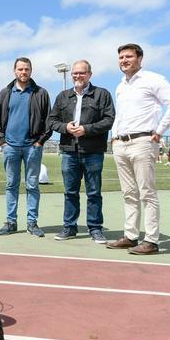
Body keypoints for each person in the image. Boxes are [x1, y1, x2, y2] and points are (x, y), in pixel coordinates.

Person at [107, 43, 170, 255]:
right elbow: (120, 115)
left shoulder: (154, 79)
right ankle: (131, 236)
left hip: (142, 142)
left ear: (140, 58)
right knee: (128, 193)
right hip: (121, 144)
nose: (124, 60)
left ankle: (151, 240)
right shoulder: (121, 85)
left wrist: (159, 131)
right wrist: (114, 137)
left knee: (147, 193)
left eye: (128, 56)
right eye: (121, 57)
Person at [47, 60, 114, 244]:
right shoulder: (62, 96)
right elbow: (51, 121)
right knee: (70, 192)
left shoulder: (102, 94)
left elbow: (109, 120)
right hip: (69, 151)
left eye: (81, 73)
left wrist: (87, 129)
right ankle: (69, 226)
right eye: (75, 73)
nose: (77, 76)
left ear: (89, 74)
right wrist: (65, 127)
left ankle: (95, 228)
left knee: (94, 192)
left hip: (93, 151)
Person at [0, 57, 51, 238]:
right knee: (11, 184)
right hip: (10, 147)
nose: (23, 72)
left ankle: (32, 223)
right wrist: (2, 141)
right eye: (20, 69)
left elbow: (48, 121)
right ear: (14, 71)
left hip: (32, 147)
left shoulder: (41, 93)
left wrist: (40, 141)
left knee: (33, 185)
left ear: (31, 71)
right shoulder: (5, 92)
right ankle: (11, 222)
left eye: (26, 69)